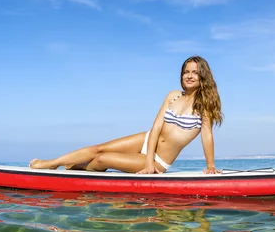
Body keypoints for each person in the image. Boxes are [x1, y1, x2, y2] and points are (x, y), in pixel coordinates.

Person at [29, 56, 224, 174]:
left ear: (203, 77)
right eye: (186, 72)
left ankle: (79, 169)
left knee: (101, 160)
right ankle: (52, 163)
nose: (189, 76)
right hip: (147, 140)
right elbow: (156, 127)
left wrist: (211, 165)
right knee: (99, 149)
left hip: (159, 160)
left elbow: (207, 135)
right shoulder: (173, 95)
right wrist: (146, 159)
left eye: (195, 73)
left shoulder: (204, 106)